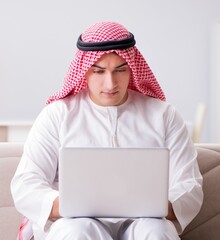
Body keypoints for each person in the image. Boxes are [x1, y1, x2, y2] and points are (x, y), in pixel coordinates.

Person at [11, 21, 203, 240]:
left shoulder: (163, 116)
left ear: (131, 68)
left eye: (120, 70)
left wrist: (159, 205)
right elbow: (26, 183)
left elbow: (189, 184)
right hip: (76, 223)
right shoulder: (57, 115)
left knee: (156, 231)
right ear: (84, 72)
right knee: (76, 232)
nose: (110, 83)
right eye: (99, 71)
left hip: (144, 222)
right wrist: (66, 204)